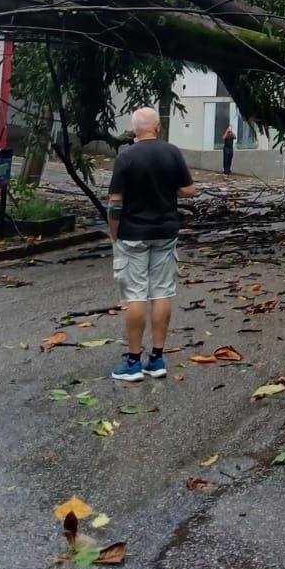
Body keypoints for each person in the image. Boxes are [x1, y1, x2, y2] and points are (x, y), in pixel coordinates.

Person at [107, 107, 196, 381]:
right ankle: (156, 360)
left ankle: (133, 362)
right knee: (161, 293)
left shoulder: (126, 158)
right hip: (165, 232)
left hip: (133, 234)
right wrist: (169, 186)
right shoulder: (172, 152)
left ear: (135, 131)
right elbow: (190, 191)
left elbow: (115, 202)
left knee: (135, 296)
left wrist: (114, 233)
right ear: (157, 128)